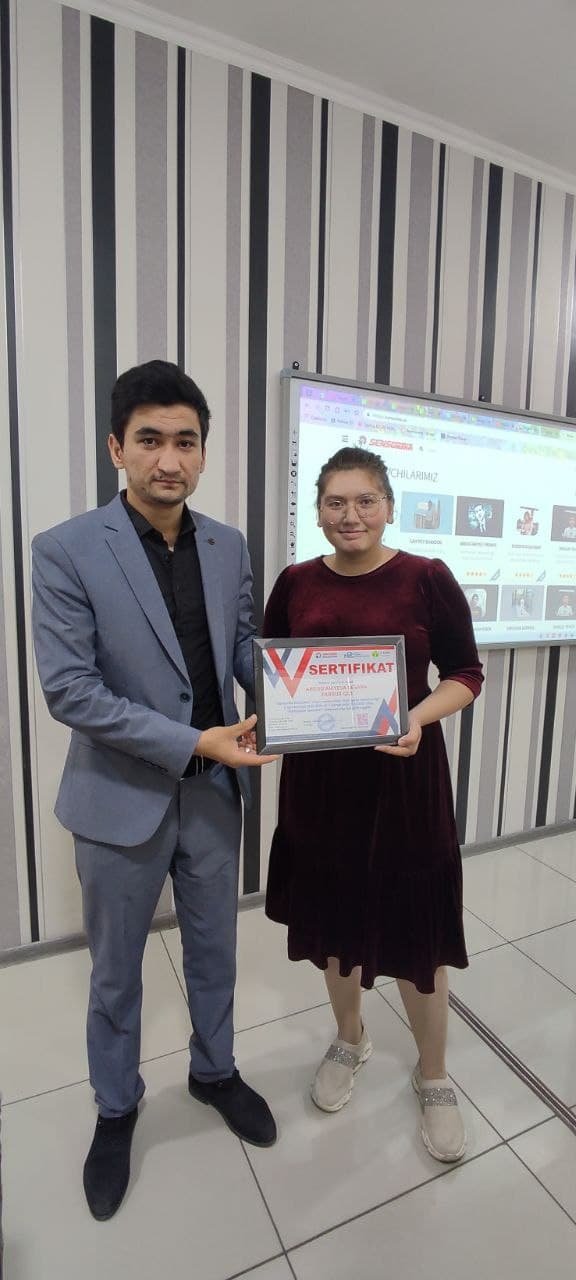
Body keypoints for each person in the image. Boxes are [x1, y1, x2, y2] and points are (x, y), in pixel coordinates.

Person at [32, 360, 278, 1222]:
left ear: (203, 451)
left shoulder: (228, 545)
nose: (169, 459)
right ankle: (116, 1108)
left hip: (213, 796)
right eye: (149, 441)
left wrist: (319, 696)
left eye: (186, 441)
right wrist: (192, 740)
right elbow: (72, 691)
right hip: (117, 801)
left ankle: (215, 1071)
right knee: (115, 974)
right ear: (116, 448)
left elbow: (242, 647)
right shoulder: (64, 549)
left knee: (216, 952)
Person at [263, 447, 483, 1164]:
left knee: (418, 935)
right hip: (321, 789)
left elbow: (465, 673)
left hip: (404, 785)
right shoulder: (296, 582)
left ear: (388, 505)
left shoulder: (426, 577)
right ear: (318, 510)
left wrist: (416, 716)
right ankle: (349, 1038)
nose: (350, 515)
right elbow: (275, 670)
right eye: (335, 502)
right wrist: (273, 719)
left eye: (365, 500)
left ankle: (433, 1074)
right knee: (334, 924)